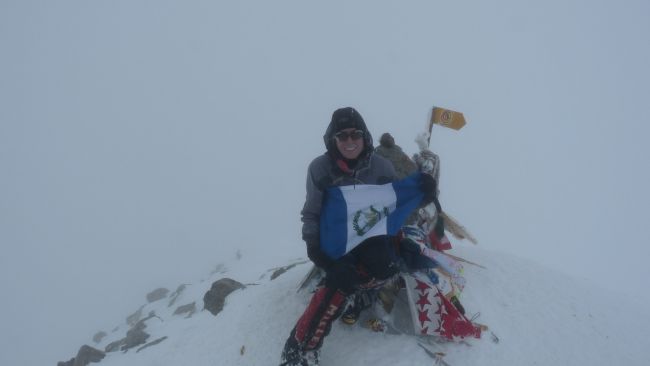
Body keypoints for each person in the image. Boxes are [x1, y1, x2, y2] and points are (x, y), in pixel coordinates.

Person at [279, 107, 435, 366]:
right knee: (341, 279)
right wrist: (314, 248)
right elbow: (311, 213)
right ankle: (300, 348)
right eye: (342, 136)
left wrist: (423, 191)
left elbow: (393, 202)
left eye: (355, 134)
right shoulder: (320, 169)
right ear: (333, 139)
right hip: (336, 241)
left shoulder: (381, 166)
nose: (350, 141)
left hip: (370, 236)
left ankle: (361, 296)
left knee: (385, 267)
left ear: (365, 136)